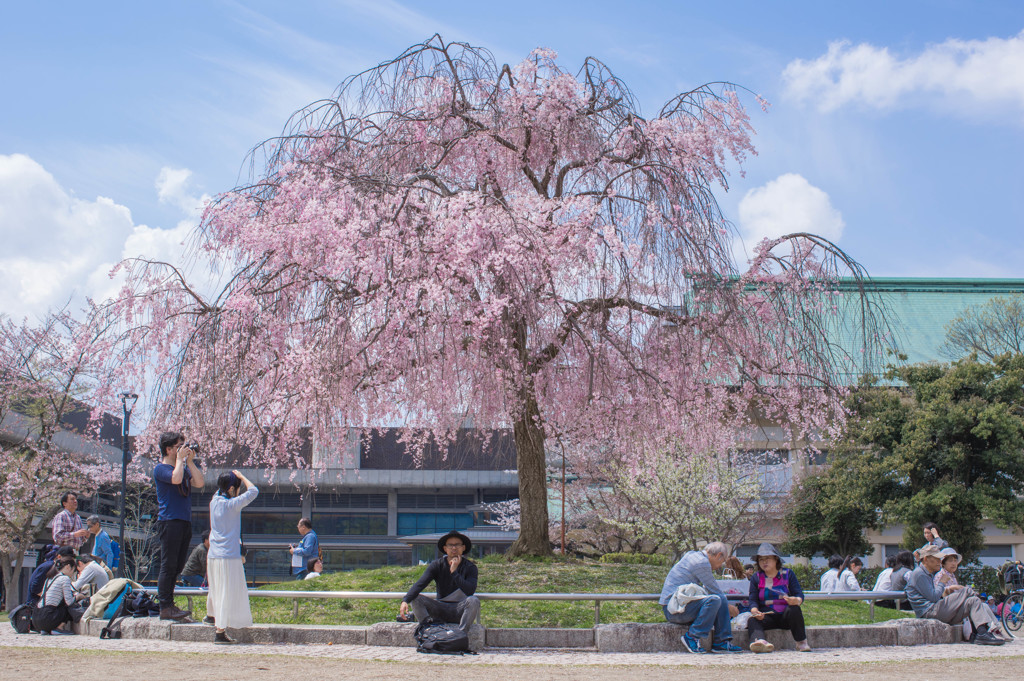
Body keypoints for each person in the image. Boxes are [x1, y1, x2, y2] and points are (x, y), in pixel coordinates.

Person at [904, 544, 1004, 645]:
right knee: (966, 591)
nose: (940, 561)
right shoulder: (919, 573)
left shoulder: (927, 573)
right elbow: (933, 597)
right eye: (937, 559)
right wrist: (942, 583)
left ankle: (981, 633)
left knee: (973, 601)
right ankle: (984, 632)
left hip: (935, 611)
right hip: (929, 611)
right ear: (926, 559)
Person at [153, 431, 204, 621]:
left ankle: (170, 604)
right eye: (179, 446)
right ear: (168, 449)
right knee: (168, 564)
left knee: (178, 565)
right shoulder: (161, 469)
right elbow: (175, 479)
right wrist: (181, 462)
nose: (183, 449)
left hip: (184, 521)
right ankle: (165, 606)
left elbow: (199, 483)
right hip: (169, 521)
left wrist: (189, 461)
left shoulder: (183, 468)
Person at [658, 541, 742, 654]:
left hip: (678, 605)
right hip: (674, 610)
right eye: (722, 562)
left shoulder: (693, 556)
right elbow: (714, 590)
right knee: (715, 599)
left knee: (719, 599)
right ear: (719, 555)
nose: (719, 566)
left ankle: (721, 642)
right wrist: (730, 608)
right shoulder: (701, 562)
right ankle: (692, 637)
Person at [207, 470, 258, 644]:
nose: (239, 490)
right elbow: (254, 491)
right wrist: (243, 477)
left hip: (213, 554)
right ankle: (220, 632)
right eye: (236, 487)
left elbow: (221, 489)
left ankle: (211, 615)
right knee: (226, 591)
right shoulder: (232, 505)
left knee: (216, 588)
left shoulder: (214, 502)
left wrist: (231, 479)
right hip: (228, 555)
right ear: (230, 488)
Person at [399, 530, 481, 639]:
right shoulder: (437, 565)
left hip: (459, 609)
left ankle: (460, 635)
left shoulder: (470, 567)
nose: (454, 548)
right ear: (445, 548)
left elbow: (470, 590)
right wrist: (405, 600)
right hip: (440, 607)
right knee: (416, 598)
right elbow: (421, 583)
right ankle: (428, 631)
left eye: (457, 545)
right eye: (450, 545)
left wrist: (454, 572)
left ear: (463, 548)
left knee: (473, 600)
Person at [747, 543, 810, 653]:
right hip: (767, 615)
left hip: (785, 615)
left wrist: (796, 600)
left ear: (776, 559)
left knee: (794, 609)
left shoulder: (788, 574)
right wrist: (755, 611)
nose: (764, 562)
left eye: (767, 559)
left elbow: (799, 595)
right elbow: (753, 599)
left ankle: (801, 642)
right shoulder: (756, 578)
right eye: (761, 559)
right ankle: (760, 642)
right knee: (752, 620)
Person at [32, 554, 86, 634]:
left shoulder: (49, 578)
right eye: (73, 570)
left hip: (37, 617)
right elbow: (69, 601)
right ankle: (58, 628)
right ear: (68, 567)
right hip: (48, 617)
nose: (72, 574)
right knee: (69, 606)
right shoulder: (65, 579)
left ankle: (46, 629)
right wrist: (78, 597)